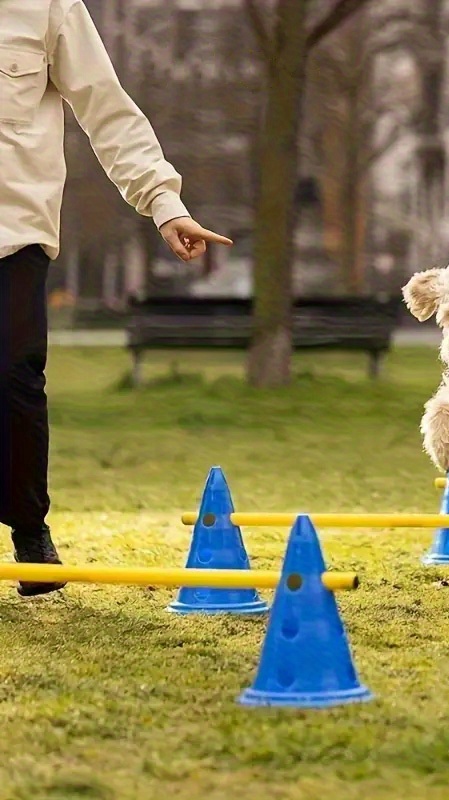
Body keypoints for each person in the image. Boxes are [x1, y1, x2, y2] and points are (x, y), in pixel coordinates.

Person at [1, 1, 233, 596]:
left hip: (12, 232)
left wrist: (163, 203)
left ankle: (29, 529)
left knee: (14, 376)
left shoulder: (46, 6)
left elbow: (107, 109)